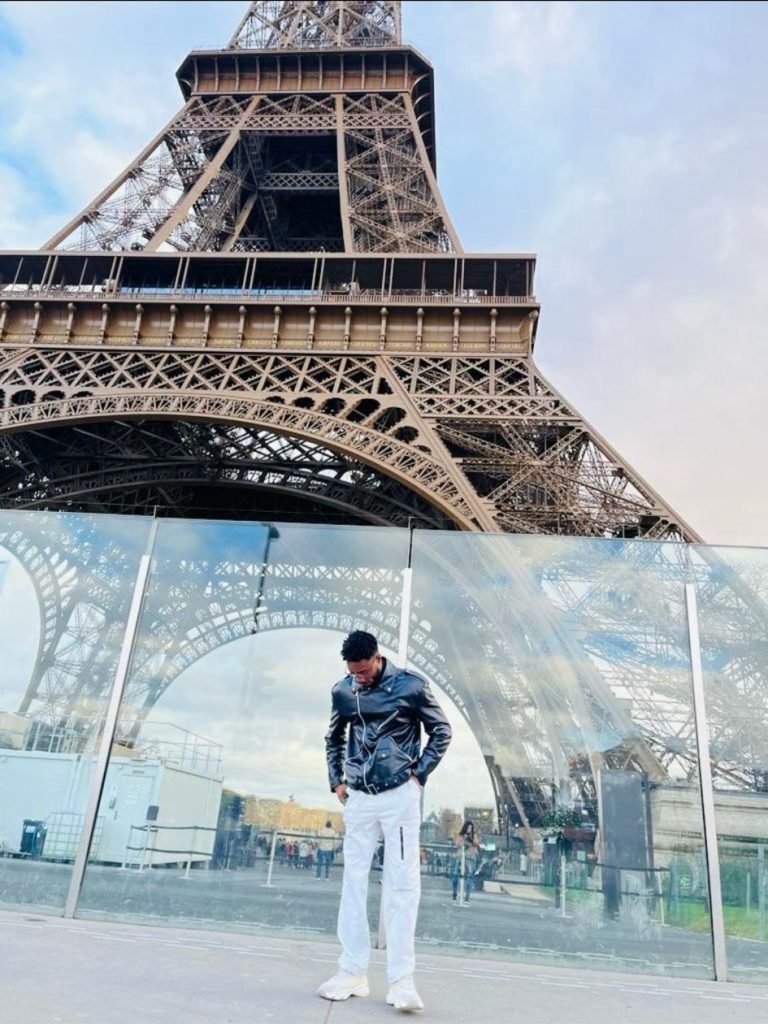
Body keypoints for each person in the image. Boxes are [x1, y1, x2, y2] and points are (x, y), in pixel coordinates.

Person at [316, 630, 452, 1012]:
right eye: (352, 673)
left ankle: (401, 979)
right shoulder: (343, 690)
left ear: (377, 658)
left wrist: (418, 774)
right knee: (353, 881)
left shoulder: (412, 685)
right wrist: (337, 782)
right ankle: (352, 970)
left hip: (399, 795)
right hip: (359, 797)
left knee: (403, 885)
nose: (358, 678)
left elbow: (441, 730)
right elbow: (333, 737)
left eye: (363, 671)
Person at [451, 820, 479, 905]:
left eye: (471, 827)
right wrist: (462, 840)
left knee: (469, 877)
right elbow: (457, 844)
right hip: (460, 857)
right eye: (468, 827)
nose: (469, 829)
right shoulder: (461, 835)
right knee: (455, 875)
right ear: (465, 827)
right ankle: (454, 894)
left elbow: (477, 843)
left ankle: (467, 896)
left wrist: (472, 837)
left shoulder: (473, 835)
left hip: (470, 858)